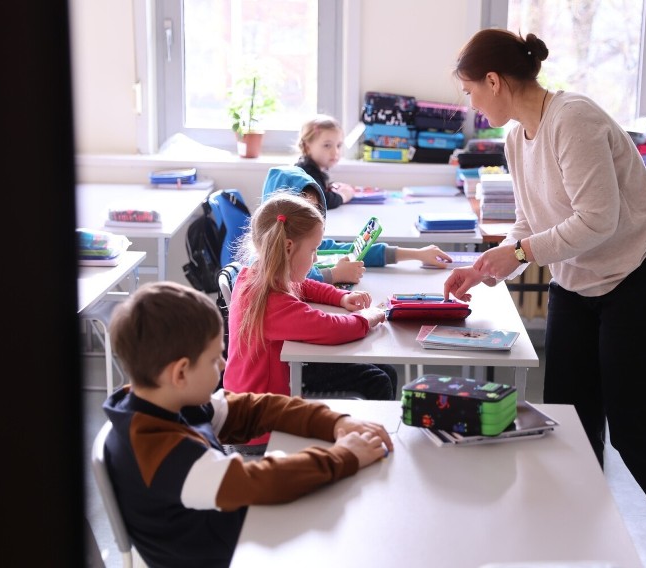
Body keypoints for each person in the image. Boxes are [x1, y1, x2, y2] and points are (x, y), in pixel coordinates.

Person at [442, 29, 646, 567]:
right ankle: (578, 533)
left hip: (641, 278)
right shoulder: (513, 139)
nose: (470, 102)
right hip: (577, 284)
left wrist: (521, 251)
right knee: (570, 420)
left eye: (469, 90)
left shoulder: (573, 119)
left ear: (493, 80)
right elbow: (529, 223)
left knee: (636, 428)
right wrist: (490, 261)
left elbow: (598, 220)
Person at [103, 280, 393, 568]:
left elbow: (255, 409)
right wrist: (345, 455)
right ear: (180, 373)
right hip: (226, 557)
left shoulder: (164, 400)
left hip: (231, 535)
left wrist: (336, 423)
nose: (223, 364)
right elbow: (261, 482)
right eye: (215, 357)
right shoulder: (162, 453)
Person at [222, 191, 398, 447]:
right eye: (314, 250)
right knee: (379, 380)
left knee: (386, 372)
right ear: (289, 248)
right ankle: (375, 449)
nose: (316, 258)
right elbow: (331, 328)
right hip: (261, 425)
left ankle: (374, 442)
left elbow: (303, 285)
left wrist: (339, 297)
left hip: (258, 400)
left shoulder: (255, 274)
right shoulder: (272, 303)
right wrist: (368, 317)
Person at [263, 165, 454, 285]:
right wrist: (334, 275)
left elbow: (353, 251)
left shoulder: (306, 245)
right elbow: (294, 281)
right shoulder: (260, 264)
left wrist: (416, 254)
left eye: (316, 209)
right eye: (305, 209)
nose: (312, 217)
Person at [295, 114, 356, 209]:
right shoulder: (306, 173)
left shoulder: (312, 168)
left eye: (339, 145)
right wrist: (344, 195)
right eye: (327, 145)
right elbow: (322, 201)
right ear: (307, 147)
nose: (335, 152)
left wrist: (331, 186)